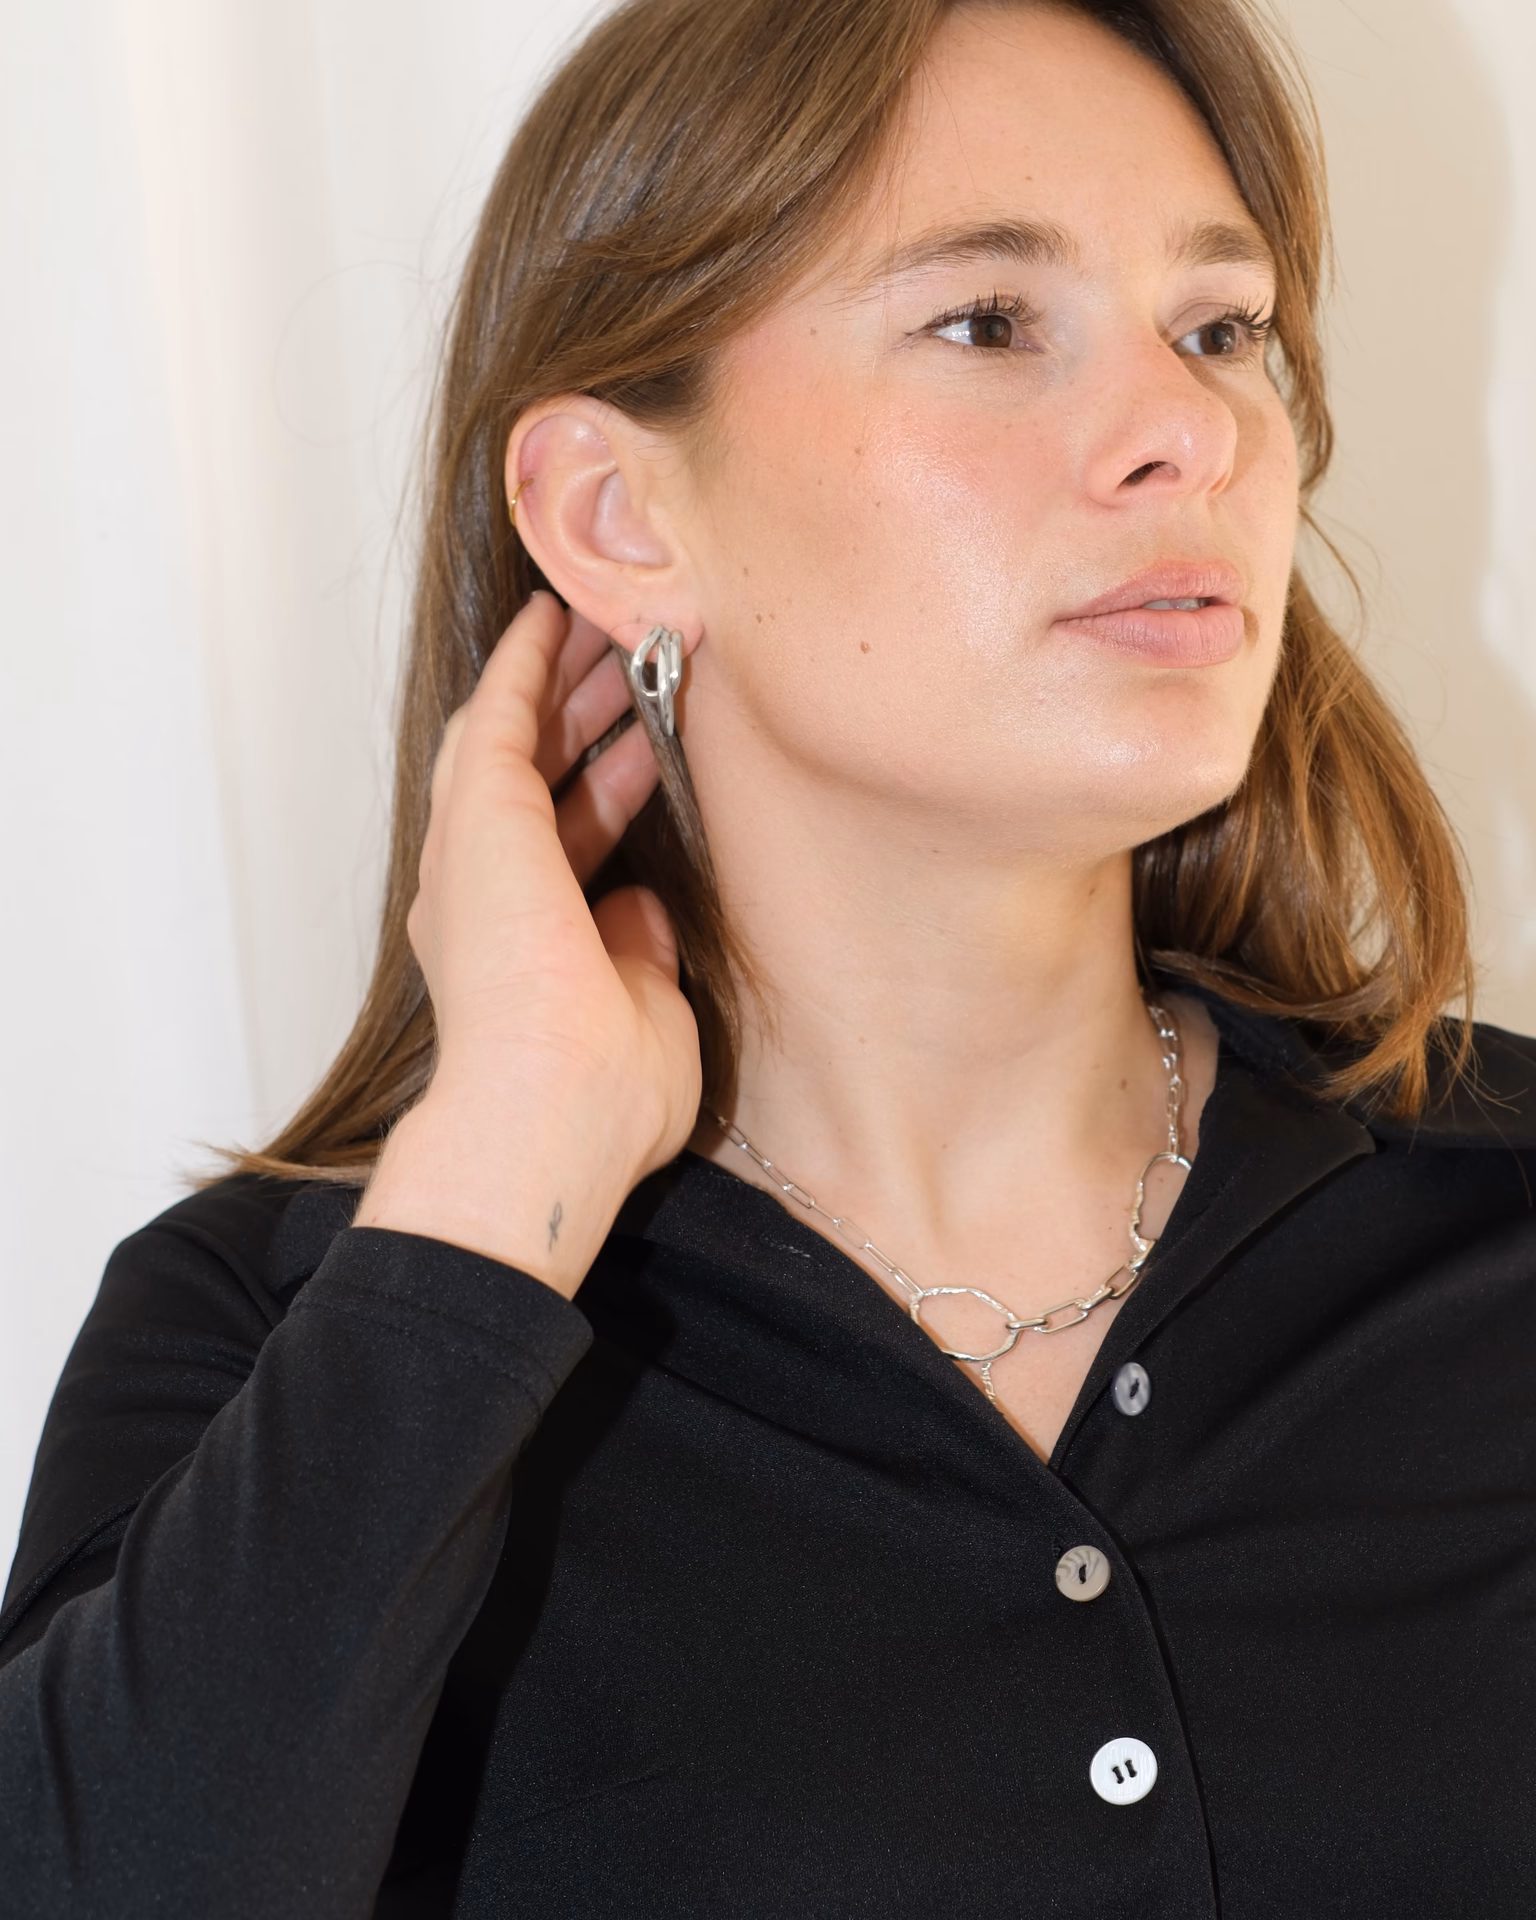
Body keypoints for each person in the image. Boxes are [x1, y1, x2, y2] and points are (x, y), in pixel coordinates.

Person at [3, 0, 1532, 1912]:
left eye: (1221, 329)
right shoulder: (286, 1346)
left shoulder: (1495, 1214)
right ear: (615, 513)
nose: (1194, 431)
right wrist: (494, 1186)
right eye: (989, 322)